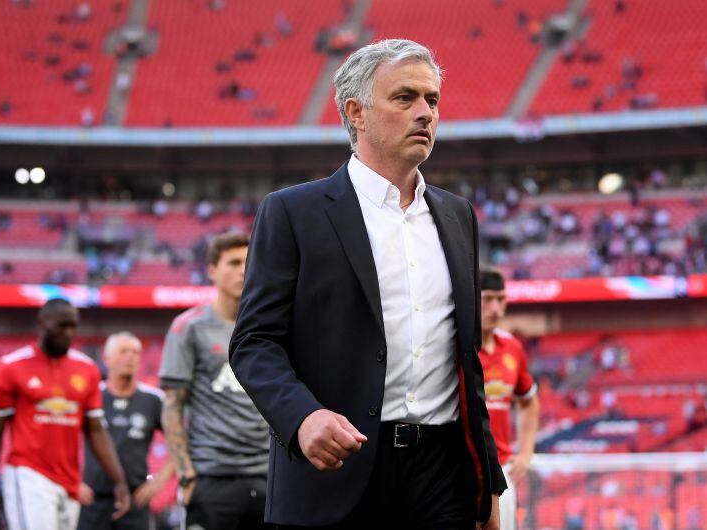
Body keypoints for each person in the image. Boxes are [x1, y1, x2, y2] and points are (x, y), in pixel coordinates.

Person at [230, 39, 506, 529]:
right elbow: (254, 342)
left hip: (444, 475)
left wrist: (488, 483)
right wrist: (302, 418)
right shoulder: (294, 212)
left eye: (432, 100)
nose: (425, 112)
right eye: (405, 98)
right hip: (337, 469)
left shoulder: (457, 215)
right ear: (356, 112)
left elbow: (467, 361)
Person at [0, 298, 130, 530]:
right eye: (62, 326)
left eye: (73, 326)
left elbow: (97, 431)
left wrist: (119, 480)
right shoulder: (11, 367)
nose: (68, 333)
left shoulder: (87, 369)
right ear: (42, 323)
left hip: (70, 483)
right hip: (29, 475)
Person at [159, 232, 269, 530]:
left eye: (249, 262)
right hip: (213, 480)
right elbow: (172, 407)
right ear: (211, 271)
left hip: (268, 479)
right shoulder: (189, 327)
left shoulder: (272, 327)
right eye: (233, 263)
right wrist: (187, 475)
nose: (243, 270)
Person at [77, 332, 175, 530]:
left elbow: (180, 443)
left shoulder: (153, 400)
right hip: (93, 501)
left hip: (135, 501)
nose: (130, 357)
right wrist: (73, 483)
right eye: (123, 352)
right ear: (107, 359)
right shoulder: (90, 396)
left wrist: (158, 482)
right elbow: (62, 437)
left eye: (135, 352)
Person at [478, 266, 540, 530]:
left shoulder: (512, 348)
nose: (495, 308)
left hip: (500, 469)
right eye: (488, 299)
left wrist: (525, 453)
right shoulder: (455, 345)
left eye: (501, 299)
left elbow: (529, 400)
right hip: (459, 468)